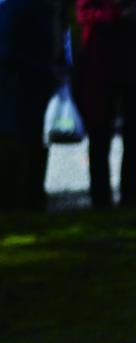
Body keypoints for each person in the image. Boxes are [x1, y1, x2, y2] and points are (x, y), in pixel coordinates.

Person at [75, 0, 136, 208]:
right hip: (100, 66)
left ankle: (130, 195)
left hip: (135, 64)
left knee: (134, 132)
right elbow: (84, 13)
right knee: (99, 134)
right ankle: (101, 197)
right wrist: (117, 14)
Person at [0, 0, 59, 212]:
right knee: (27, 147)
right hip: (24, 86)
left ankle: (22, 201)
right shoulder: (29, 7)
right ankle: (25, 201)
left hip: (22, 85)